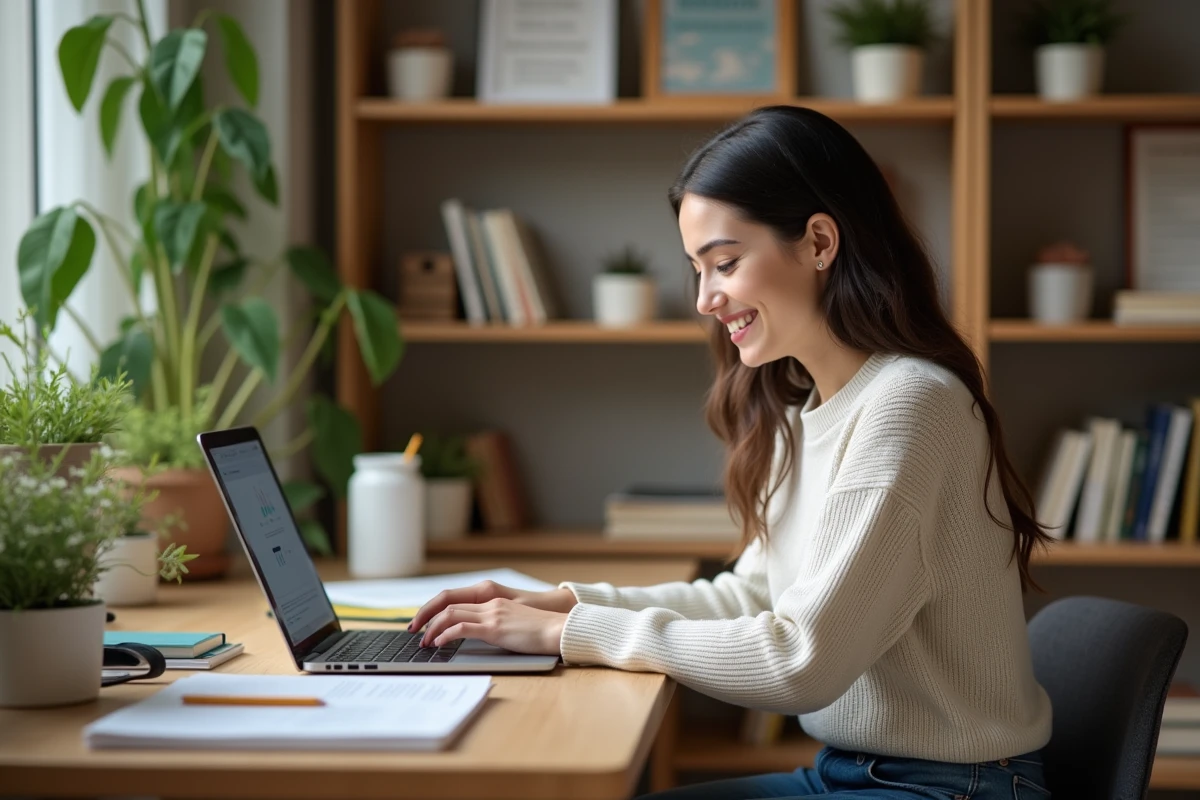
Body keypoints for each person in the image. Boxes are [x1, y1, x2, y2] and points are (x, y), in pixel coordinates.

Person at [408, 105, 1054, 799]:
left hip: (946, 789)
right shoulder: (806, 407)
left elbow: (799, 661)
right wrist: (560, 605)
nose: (704, 299)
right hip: (855, 773)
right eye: (697, 270)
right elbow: (747, 596)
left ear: (818, 241)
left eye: (724, 263)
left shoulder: (910, 405)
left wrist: (575, 634)